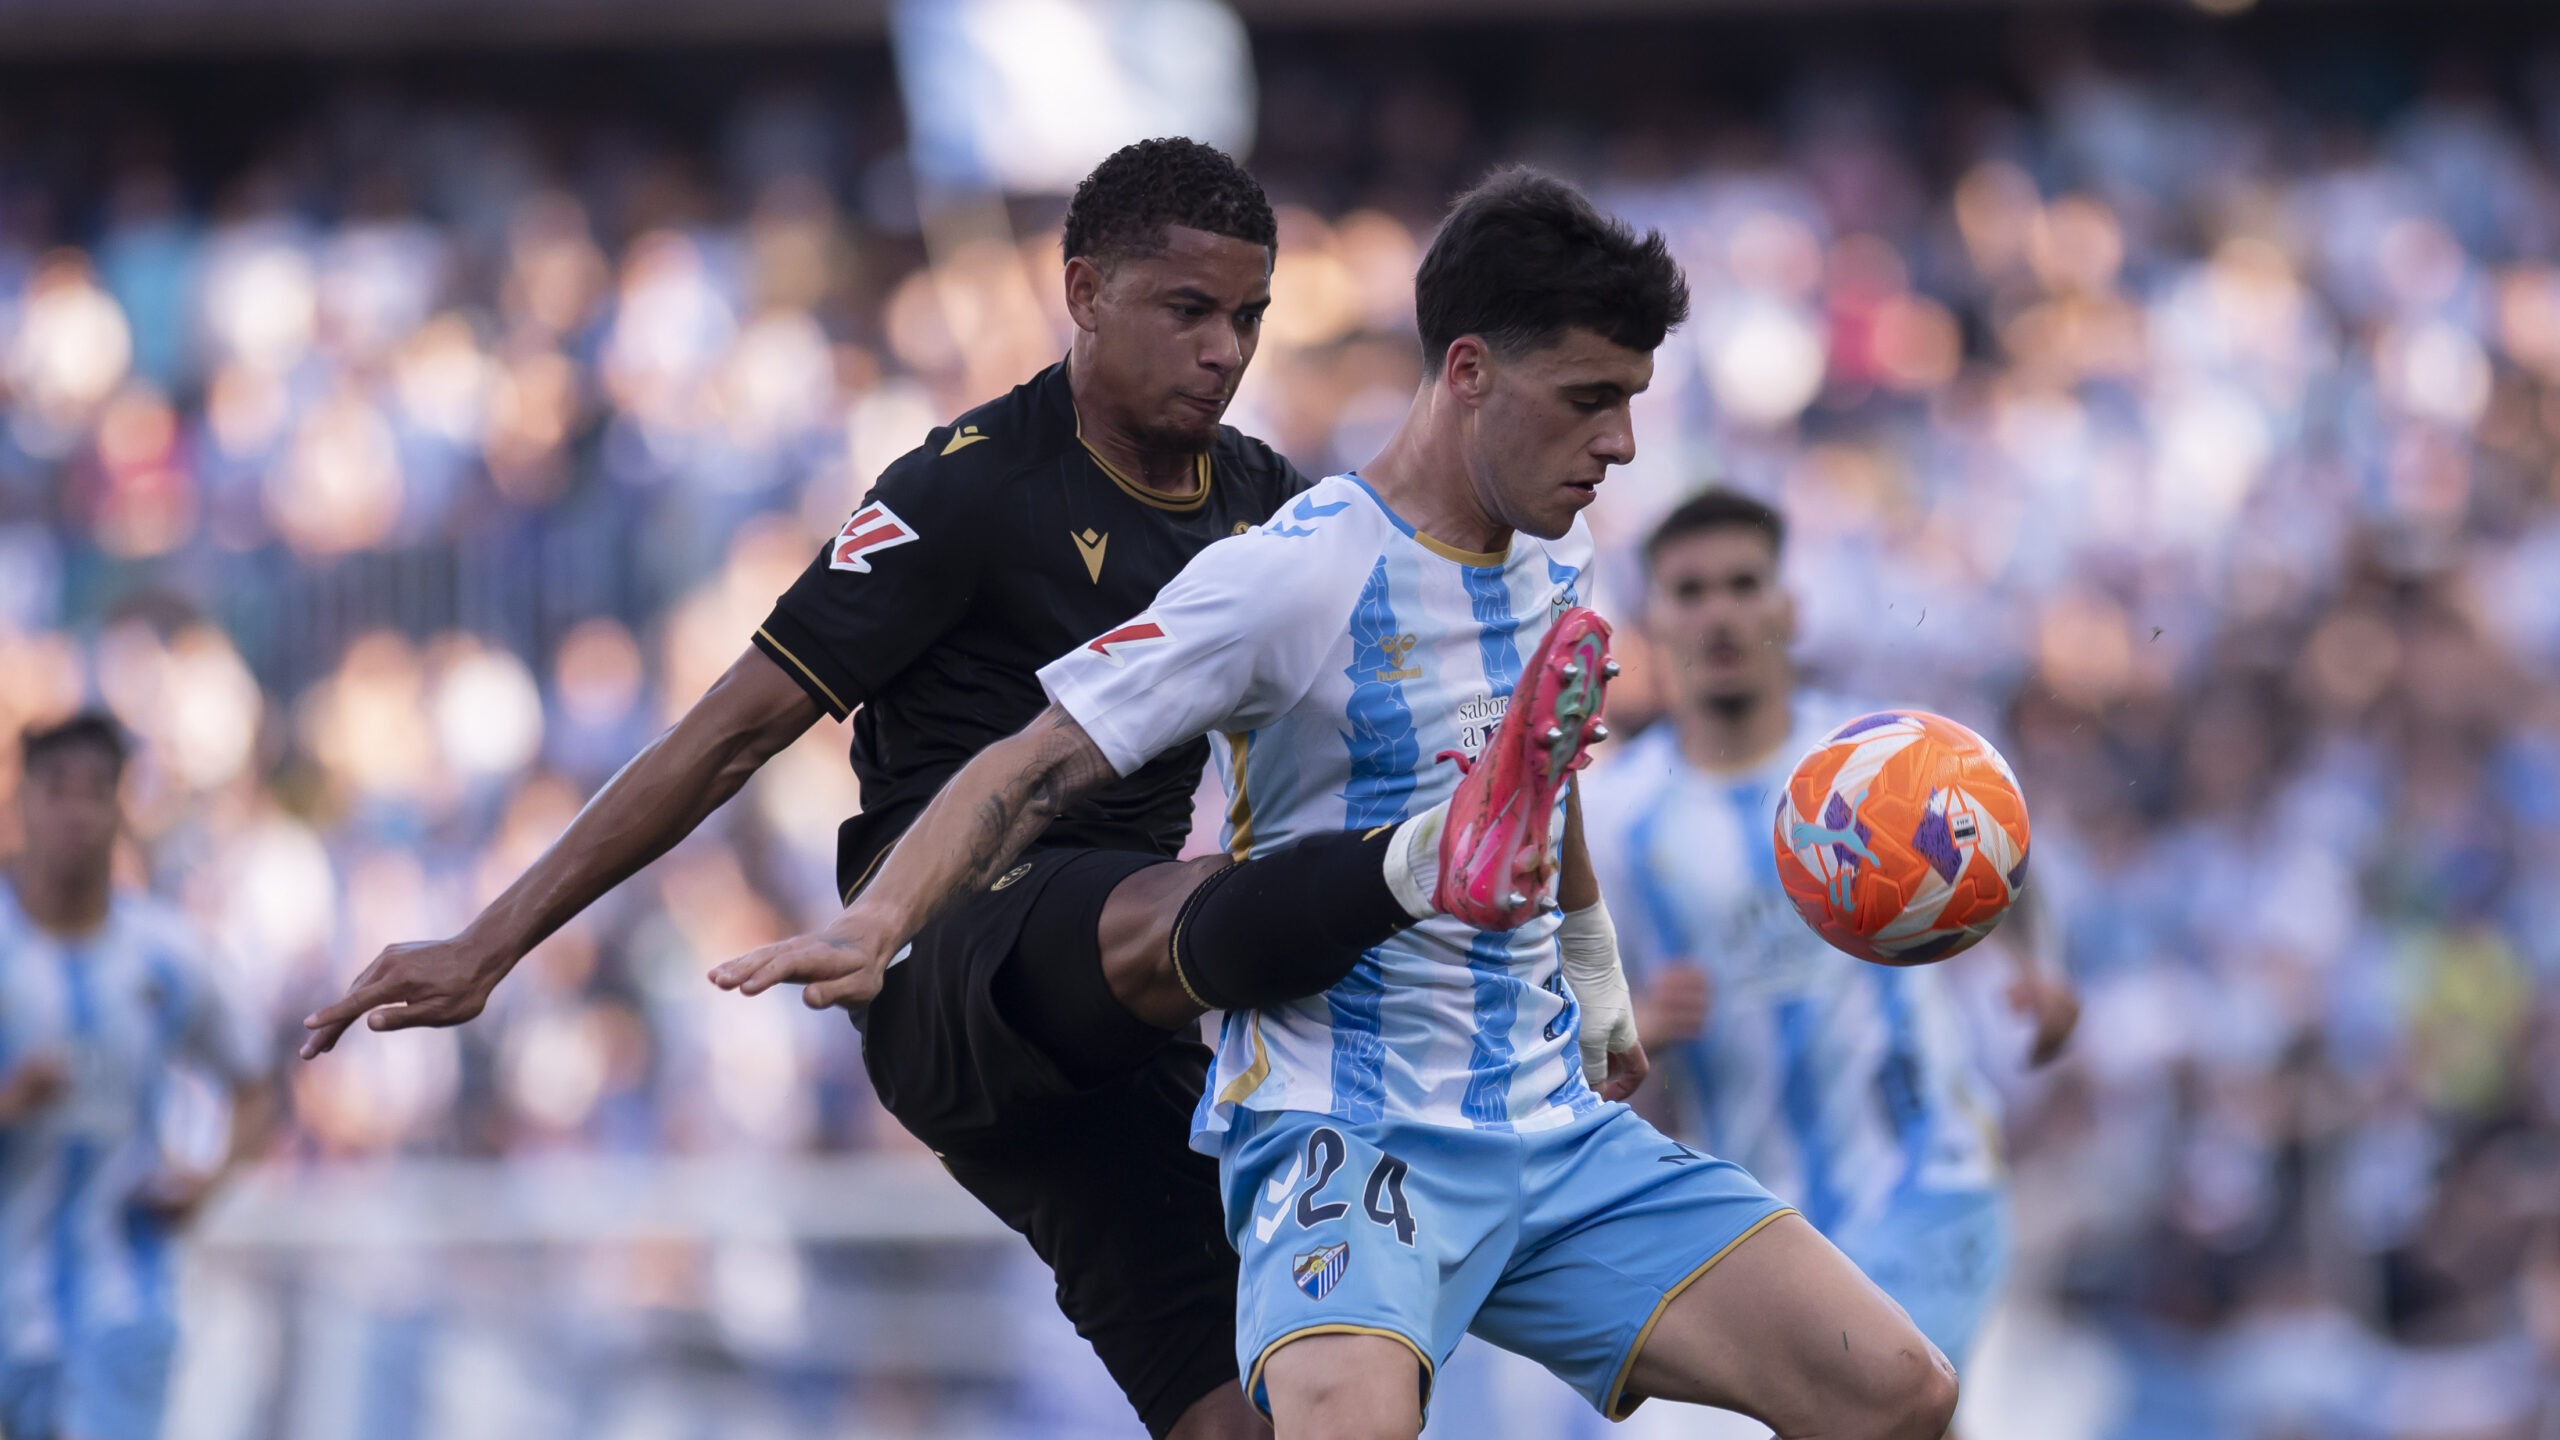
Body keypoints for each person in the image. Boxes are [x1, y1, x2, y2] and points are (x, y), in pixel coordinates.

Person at [303, 137, 1539, 1440]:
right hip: (944, 955)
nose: (1224, 350)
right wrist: (488, 944)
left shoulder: (1262, 505)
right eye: (1188, 311)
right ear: (1083, 293)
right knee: (1239, 904)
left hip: (1114, 1042)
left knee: (1254, 1416)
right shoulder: (967, 488)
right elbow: (726, 734)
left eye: (1247, 318)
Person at [712, 170, 1957, 1440]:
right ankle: (1412, 867)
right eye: (1590, 400)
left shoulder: (1562, 550)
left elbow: (1545, 774)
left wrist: (1594, 977)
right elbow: (1031, 760)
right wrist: (882, 922)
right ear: (1467, 370)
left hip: (1547, 1124)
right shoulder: (1289, 574)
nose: (1621, 444)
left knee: (1898, 1394)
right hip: (1346, 1141)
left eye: (1631, 402)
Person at [1582, 489, 2081, 1405]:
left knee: (1896, 1406)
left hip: (1927, 1175)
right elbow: (1568, 1019)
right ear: (1651, 621)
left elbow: (2006, 855)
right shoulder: (1616, 820)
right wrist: (1635, 1024)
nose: (1721, 611)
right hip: (1756, 1224)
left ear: (1789, 606)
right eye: (1691, 591)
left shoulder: (1883, 759)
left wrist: (2038, 969)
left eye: (1744, 583)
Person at [0, 712, 270, 1440]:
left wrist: (207, 1179)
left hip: (121, 1303)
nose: (76, 812)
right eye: (55, 789)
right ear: (20, 800)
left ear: (124, 806)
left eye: (97, 791)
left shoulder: (167, 954)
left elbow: (257, 1084)